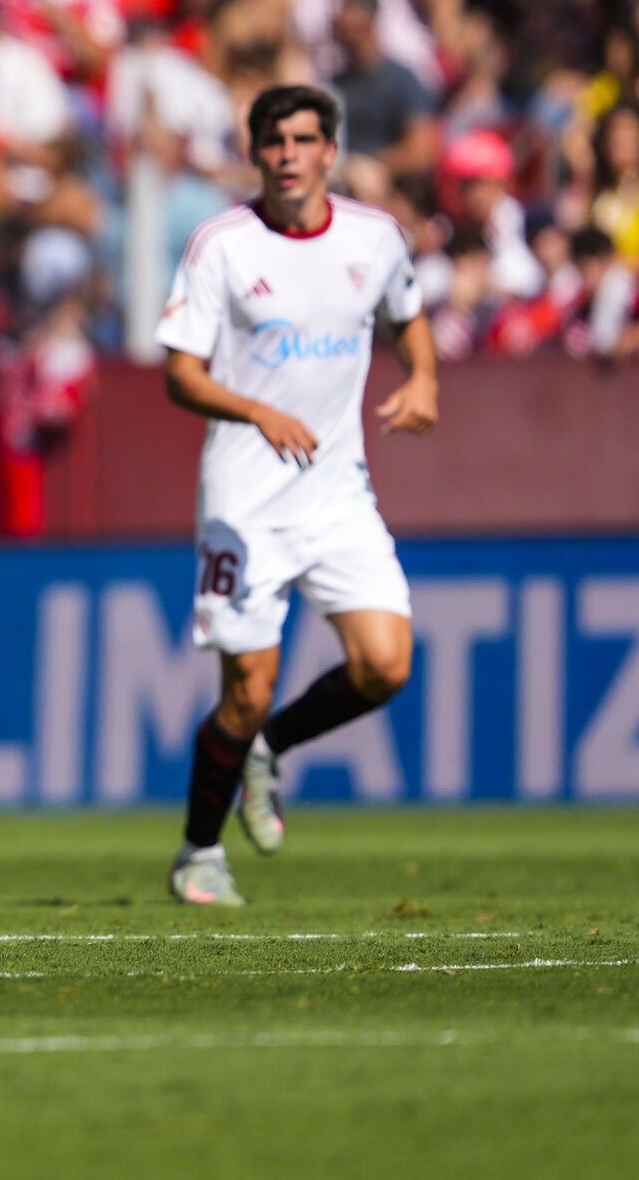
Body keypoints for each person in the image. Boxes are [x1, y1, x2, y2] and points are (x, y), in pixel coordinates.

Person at [156, 84, 439, 907]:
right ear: (255, 153)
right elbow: (179, 372)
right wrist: (256, 410)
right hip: (244, 498)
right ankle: (199, 853)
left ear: (329, 151)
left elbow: (409, 316)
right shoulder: (222, 245)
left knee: (385, 664)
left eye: (303, 139)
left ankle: (269, 749)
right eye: (273, 140)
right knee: (244, 691)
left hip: (338, 490)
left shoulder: (375, 237)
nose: (287, 154)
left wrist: (421, 377)